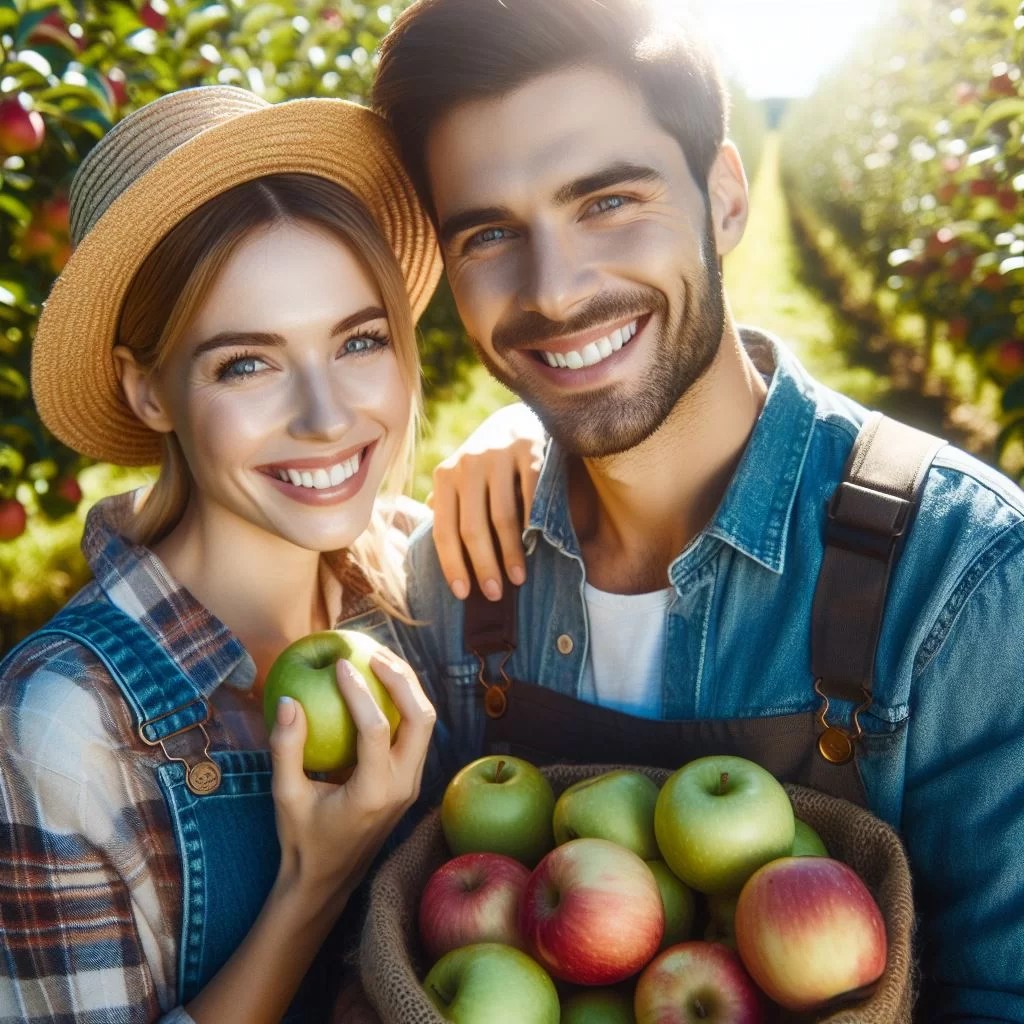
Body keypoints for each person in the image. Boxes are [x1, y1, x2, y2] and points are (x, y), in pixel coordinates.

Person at [368, 0, 1024, 1016]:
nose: (555, 291)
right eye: (491, 232)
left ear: (723, 198)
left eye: (607, 202)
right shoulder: (456, 582)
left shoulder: (962, 580)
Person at [0, 84, 533, 1024]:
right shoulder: (63, 730)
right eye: (247, 362)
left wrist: (530, 423)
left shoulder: (431, 572)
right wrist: (311, 886)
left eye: (359, 341)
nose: (329, 419)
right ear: (149, 390)